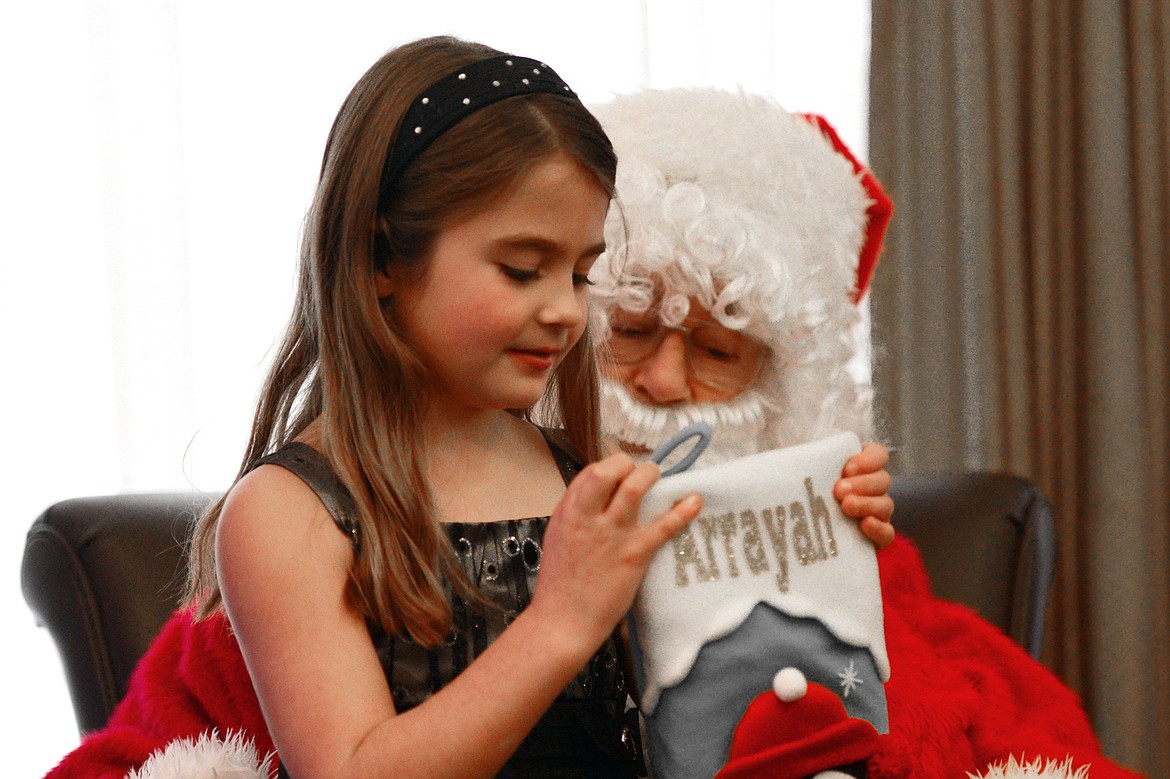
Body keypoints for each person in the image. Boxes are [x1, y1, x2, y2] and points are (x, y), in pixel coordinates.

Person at [45, 39, 893, 779]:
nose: (565, 308)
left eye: (580, 271)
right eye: (524, 269)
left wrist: (819, 530)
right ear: (381, 258)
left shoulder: (577, 471)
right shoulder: (289, 513)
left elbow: (709, 692)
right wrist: (561, 619)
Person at [588, 86, 1143, 778]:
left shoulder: (857, 543)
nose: (664, 381)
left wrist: (847, 541)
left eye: (718, 351)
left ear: (785, 379)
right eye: (632, 331)